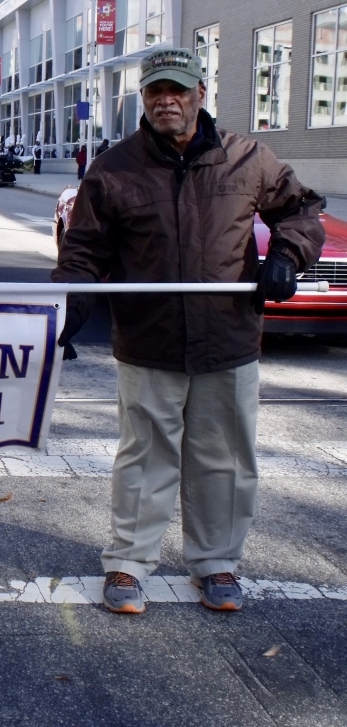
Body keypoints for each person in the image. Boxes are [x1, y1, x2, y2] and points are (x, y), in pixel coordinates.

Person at [52, 47, 325, 616]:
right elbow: (85, 249)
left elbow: (301, 211)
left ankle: (217, 562)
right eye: (155, 92)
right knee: (144, 456)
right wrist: (69, 304)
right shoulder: (115, 168)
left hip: (227, 339)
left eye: (177, 90)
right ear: (144, 100)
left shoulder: (247, 158)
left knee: (222, 457)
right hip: (148, 341)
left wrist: (288, 257)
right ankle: (128, 563)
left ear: (201, 94)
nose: (166, 100)